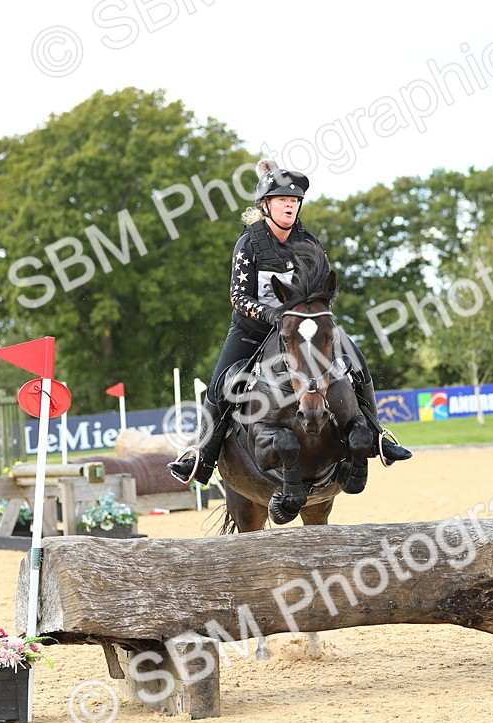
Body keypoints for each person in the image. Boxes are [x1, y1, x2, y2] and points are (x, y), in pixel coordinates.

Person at [168, 158, 411, 485]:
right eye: (283, 200)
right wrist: (273, 315)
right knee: (221, 383)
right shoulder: (249, 244)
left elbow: (326, 290)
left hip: (305, 330)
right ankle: (202, 453)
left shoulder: (309, 243)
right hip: (253, 329)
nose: (290, 206)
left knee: (357, 363)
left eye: (295, 201)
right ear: (265, 205)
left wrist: (311, 315)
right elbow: (238, 298)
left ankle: (377, 436)